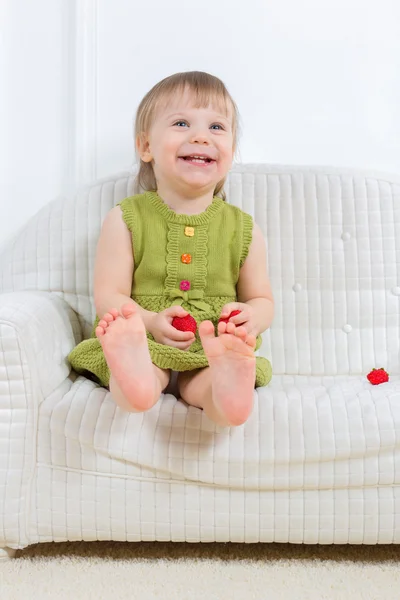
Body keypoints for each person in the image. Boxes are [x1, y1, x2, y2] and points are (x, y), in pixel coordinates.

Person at [69, 71, 274, 427]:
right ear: (146, 146)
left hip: (211, 346)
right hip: (145, 339)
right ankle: (135, 378)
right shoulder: (125, 219)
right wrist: (146, 323)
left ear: (230, 149)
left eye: (216, 127)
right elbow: (108, 295)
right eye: (181, 123)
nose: (200, 136)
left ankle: (228, 387)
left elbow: (262, 299)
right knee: (143, 375)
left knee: (207, 382)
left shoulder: (244, 229)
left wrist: (251, 318)